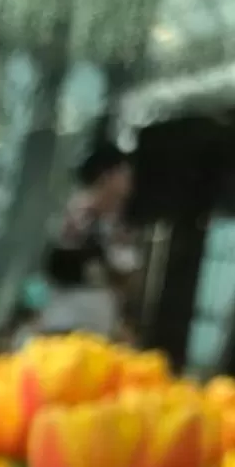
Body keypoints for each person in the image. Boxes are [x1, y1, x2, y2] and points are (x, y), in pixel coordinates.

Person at [37, 143, 140, 340]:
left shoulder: (116, 222)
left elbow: (127, 275)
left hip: (100, 326)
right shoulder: (76, 216)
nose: (129, 184)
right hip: (68, 324)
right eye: (124, 175)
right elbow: (60, 267)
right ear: (105, 177)